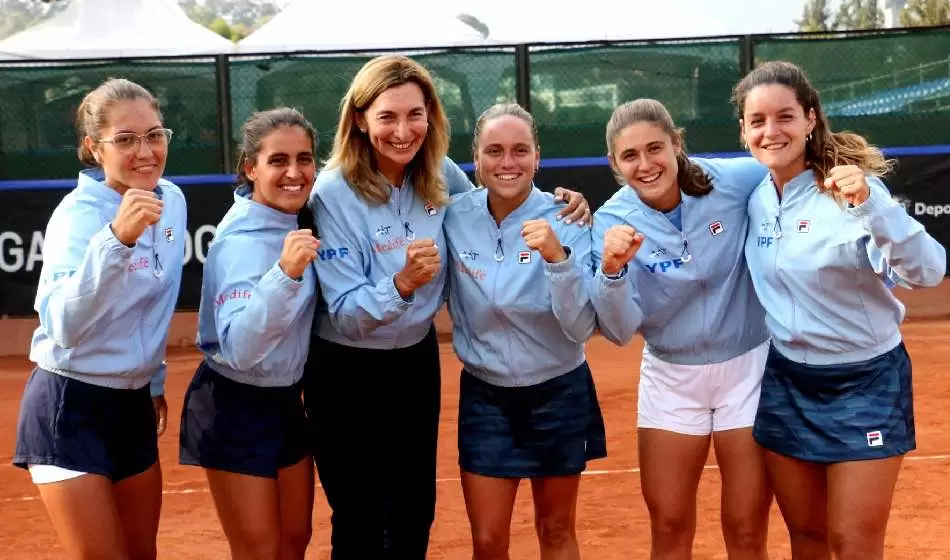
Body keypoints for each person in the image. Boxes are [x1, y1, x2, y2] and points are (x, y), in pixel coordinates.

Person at [303, 54, 590, 559]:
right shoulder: (332, 192)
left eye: (415, 115)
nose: (403, 131)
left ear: (431, 116)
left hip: (415, 365)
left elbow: (493, 203)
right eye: (387, 116)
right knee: (359, 517)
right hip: (346, 370)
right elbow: (346, 314)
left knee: (414, 511)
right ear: (360, 119)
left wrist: (561, 203)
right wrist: (402, 284)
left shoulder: (439, 173)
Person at [731, 60, 947, 560]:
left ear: (810, 118)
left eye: (785, 117)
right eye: (758, 120)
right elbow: (669, 173)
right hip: (787, 381)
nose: (771, 131)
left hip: (867, 382)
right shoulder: (753, 197)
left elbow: (928, 271)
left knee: (854, 543)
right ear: (743, 131)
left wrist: (873, 205)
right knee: (807, 538)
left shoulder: (854, 191)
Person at [590, 98, 773, 560]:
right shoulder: (610, 221)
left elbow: (793, 167)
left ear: (676, 143)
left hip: (749, 370)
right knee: (669, 526)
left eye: (655, 148)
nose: (645, 164)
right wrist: (612, 271)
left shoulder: (733, 180)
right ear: (614, 163)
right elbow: (618, 331)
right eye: (630, 155)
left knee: (747, 528)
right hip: (671, 379)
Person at [12, 78, 184, 559]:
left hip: (132, 405)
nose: (145, 151)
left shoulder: (172, 199)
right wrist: (116, 240)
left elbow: (155, 301)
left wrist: (152, 381)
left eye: (154, 135)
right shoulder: (77, 216)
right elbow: (64, 325)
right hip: (71, 405)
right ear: (94, 147)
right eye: (125, 139)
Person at [443, 102, 606, 560]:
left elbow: (580, 326)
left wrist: (558, 260)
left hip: (559, 391)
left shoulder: (568, 218)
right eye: (494, 151)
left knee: (556, 531)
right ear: (476, 159)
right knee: (488, 541)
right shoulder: (453, 216)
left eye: (520, 150)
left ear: (538, 157)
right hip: (485, 397)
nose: (507, 162)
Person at [179, 107, 319, 560]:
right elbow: (240, 349)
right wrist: (285, 274)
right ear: (250, 167)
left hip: (286, 400)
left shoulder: (296, 218)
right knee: (259, 550)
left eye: (304, 159)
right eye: (278, 160)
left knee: (294, 539)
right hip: (234, 404)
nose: (294, 173)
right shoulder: (239, 241)